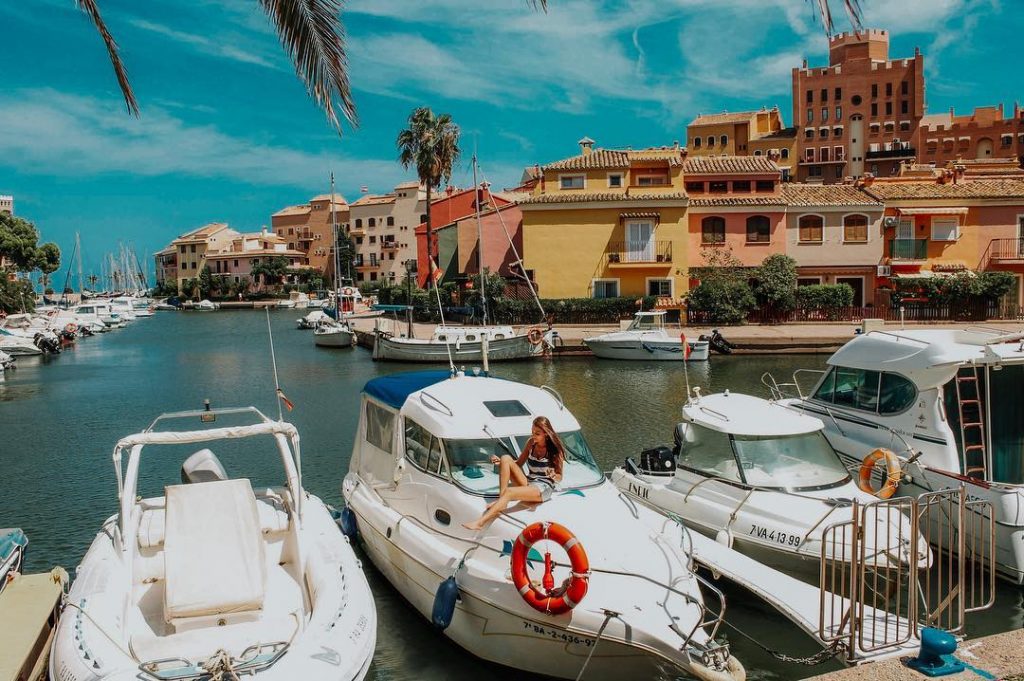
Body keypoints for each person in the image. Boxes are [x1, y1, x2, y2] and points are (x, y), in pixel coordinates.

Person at [463, 416, 564, 531]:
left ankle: (480, 523)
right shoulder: (531, 443)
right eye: (532, 432)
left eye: (537, 433)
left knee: (510, 492)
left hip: (543, 488)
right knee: (505, 458)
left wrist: (553, 475)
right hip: (529, 482)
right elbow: (519, 463)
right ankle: (502, 500)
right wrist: (501, 463)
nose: (533, 436)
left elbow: (560, 477)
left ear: (546, 433)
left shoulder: (555, 449)